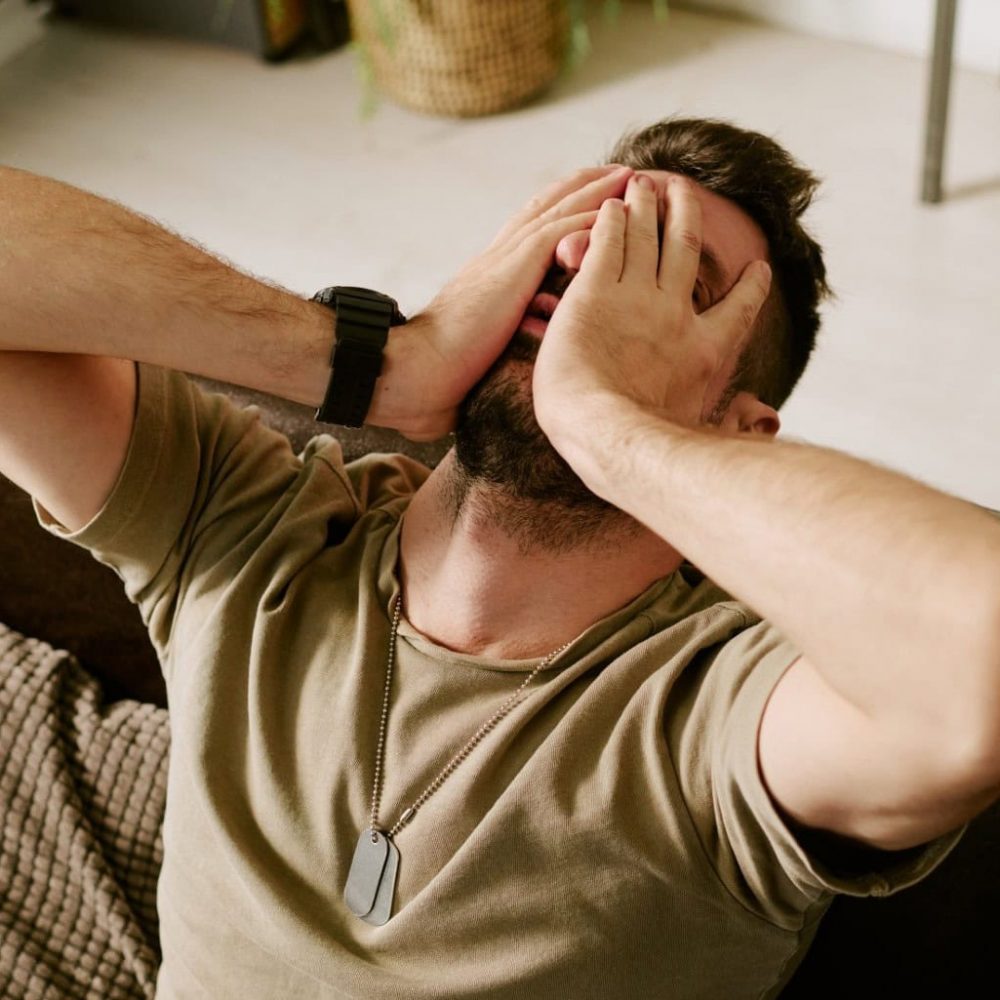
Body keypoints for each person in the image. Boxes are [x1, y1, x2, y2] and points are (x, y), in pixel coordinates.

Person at [1, 116, 998, 999]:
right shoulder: (253, 526)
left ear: (741, 429)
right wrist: (374, 360)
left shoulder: (709, 707)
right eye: (571, 257)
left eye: (657, 287)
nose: (582, 300)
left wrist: (608, 421)